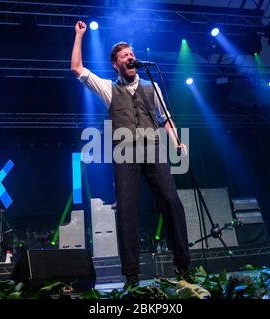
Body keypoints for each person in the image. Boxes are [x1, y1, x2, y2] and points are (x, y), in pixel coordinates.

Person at [71, 21, 190, 286]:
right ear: (116, 64)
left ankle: (183, 265)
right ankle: (131, 274)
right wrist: (79, 36)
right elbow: (77, 69)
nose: (130, 57)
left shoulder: (152, 86)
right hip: (125, 154)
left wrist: (177, 142)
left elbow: (166, 117)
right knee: (126, 211)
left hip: (154, 150)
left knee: (171, 202)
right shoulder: (107, 88)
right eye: (124, 56)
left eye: (131, 54)